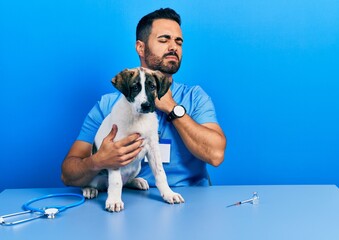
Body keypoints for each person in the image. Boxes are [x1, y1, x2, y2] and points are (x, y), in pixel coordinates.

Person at [61, 8, 226, 188]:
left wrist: (172, 107)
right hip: (130, 199)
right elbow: (68, 175)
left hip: (189, 199)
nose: (173, 47)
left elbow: (216, 155)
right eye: (164, 39)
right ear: (141, 47)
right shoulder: (108, 106)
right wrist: (97, 161)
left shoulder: (195, 97)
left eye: (179, 42)